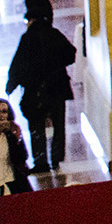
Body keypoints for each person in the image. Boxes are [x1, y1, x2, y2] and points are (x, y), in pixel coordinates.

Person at [7, 13, 74, 172]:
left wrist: (11, 86)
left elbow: (17, 64)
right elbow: (71, 53)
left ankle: (40, 161)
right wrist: (57, 66)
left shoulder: (27, 38)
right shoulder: (55, 34)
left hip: (34, 90)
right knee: (58, 124)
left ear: (31, 20)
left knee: (36, 125)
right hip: (57, 88)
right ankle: (56, 158)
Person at [0, 99, 29, 193]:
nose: (1, 115)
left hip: (11, 179)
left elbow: (22, 157)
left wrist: (15, 136)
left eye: (4, 112)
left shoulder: (13, 131)